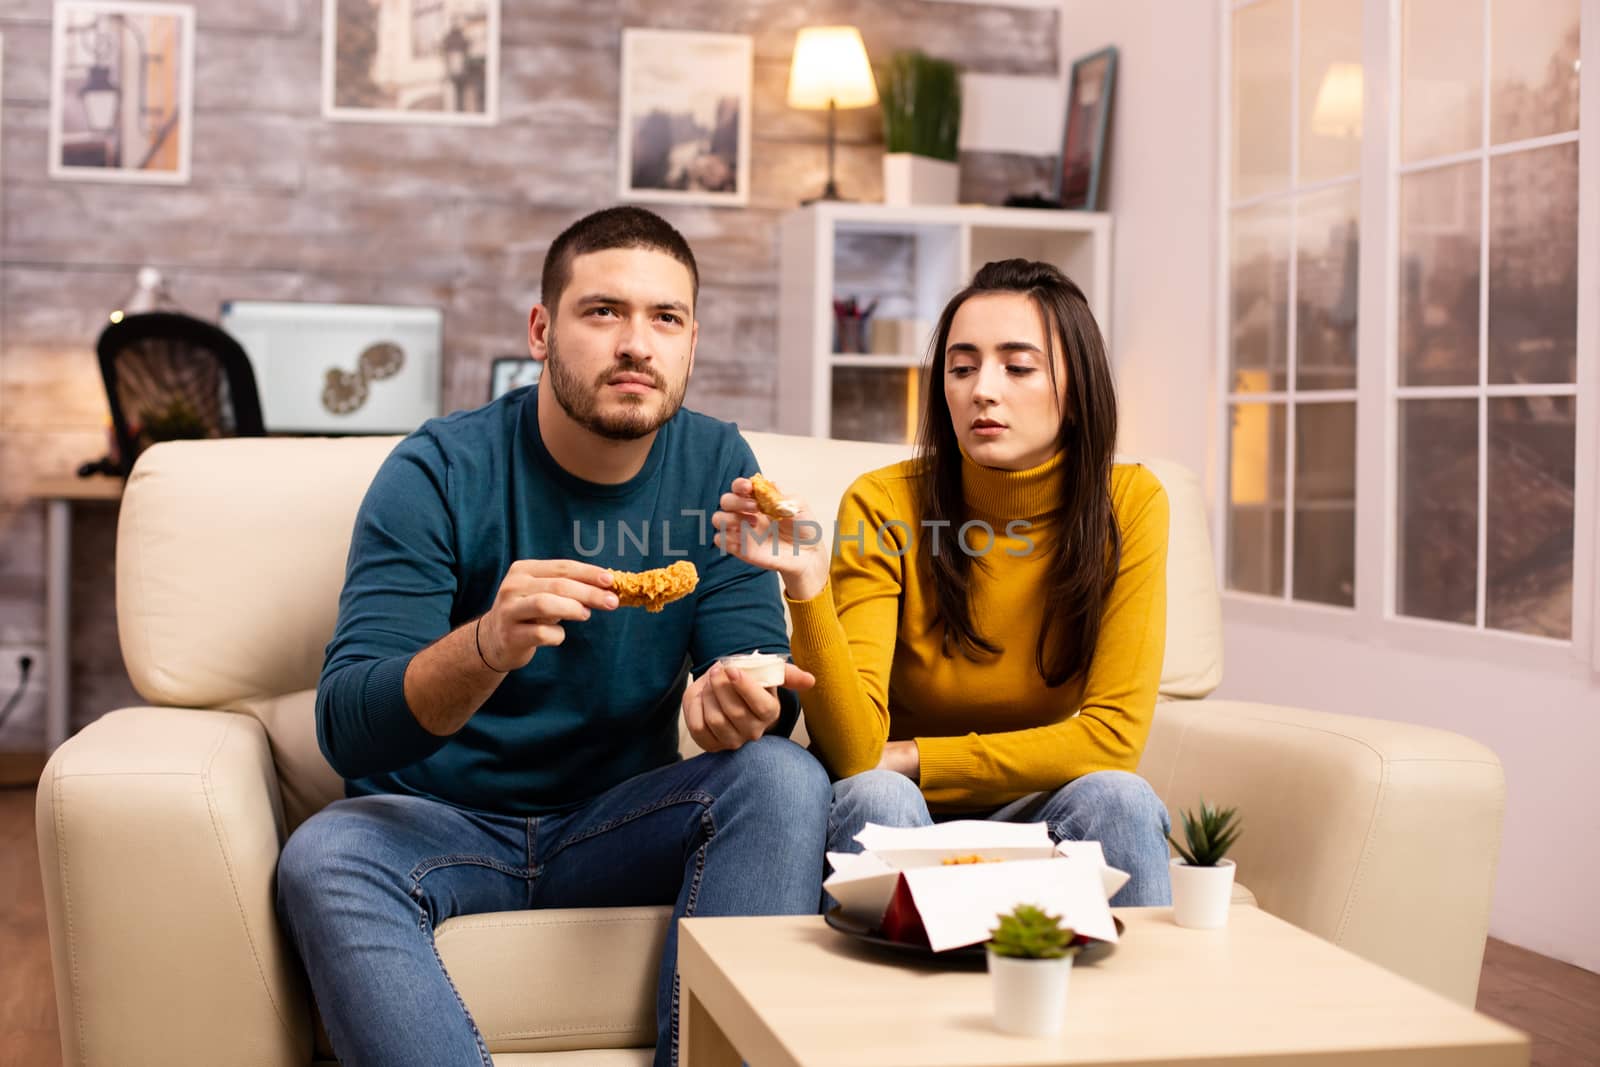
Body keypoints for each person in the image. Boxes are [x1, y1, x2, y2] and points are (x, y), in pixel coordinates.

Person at [276, 206, 830, 1067]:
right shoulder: (438, 471)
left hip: (616, 820)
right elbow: (346, 723)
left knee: (783, 779)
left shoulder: (719, 466)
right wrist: (488, 644)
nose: (636, 344)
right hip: (439, 822)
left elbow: (753, 674)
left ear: (692, 343)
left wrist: (739, 703)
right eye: (603, 311)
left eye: (666, 318)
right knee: (326, 852)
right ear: (542, 329)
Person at [712, 258, 1173, 906]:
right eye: (961, 368)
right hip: (900, 808)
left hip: (1031, 808)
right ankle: (905, 1008)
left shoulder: (1130, 503)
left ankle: (1142, 1011)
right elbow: (853, 755)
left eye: (1018, 366)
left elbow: (1111, 739)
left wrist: (916, 756)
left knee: (1121, 798)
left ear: (1078, 384)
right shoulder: (884, 503)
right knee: (877, 792)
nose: (983, 389)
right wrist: (809, 588)